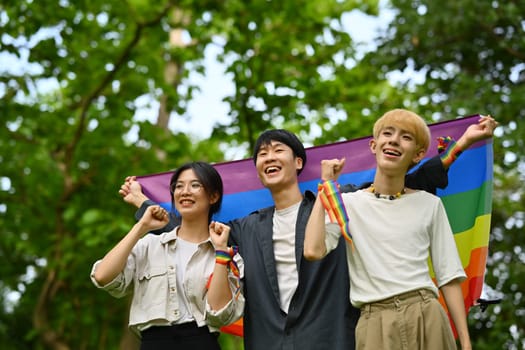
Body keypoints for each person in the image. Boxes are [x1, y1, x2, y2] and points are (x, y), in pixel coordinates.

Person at [119, 116, 496, 350]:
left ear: (298, 162)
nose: (269, 157)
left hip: (333, 338)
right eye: (261, 154)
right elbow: (193, 231)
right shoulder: (246, 227)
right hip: (269, 341)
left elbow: (402, 184)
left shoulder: (338, 204)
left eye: (278, 149)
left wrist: (458, 147)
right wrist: (142, 203)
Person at [303, 109, 492, 350]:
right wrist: (325, 186)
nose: (393, 140)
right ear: (374, 145)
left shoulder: (429, 204)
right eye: (388, 133)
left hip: (426, 312)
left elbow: (449, 276)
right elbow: (312, 250)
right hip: (374, 321)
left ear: (418, 154)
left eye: (406, 137)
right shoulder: (348, 203)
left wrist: (465, 342)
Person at [91, 161, 244, 350]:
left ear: (213, 196)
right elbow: (102, 276)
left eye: (195, 185)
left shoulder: (227, 254)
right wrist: (141, 228)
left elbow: (219, 312)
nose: (185, 191)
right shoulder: (150, 245)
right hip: (152, 343)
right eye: (179, 186)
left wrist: (221, 252)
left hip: (202, 342)